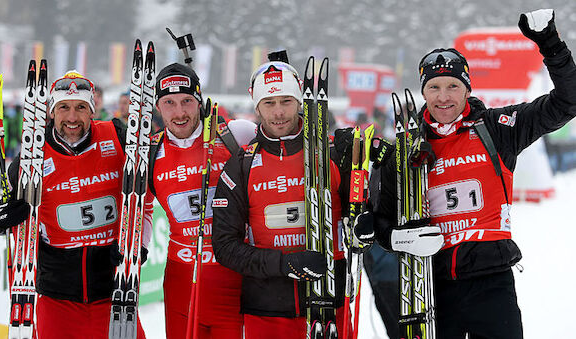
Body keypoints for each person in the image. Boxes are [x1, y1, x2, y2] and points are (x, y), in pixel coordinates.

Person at [357, 9, 576, 339]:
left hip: (492, 283)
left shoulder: (497, 130)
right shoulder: (405, 149)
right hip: (432, 287)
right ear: (423, 91)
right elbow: (382, 221)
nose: (443, 97)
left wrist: (550, 45)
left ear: (467, 88)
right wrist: (400, 238)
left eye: (452, 86)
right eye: (434, 87)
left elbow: (567, 102)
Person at [0, 70, 152, 338]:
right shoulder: (31, 159)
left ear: (92, 110)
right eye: (64, 108)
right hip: (57, 298)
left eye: (81, 107)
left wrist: (138, 245)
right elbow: (16, 217)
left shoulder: (117, 137)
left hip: (114, 294)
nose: (72, 118)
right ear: (51, 111)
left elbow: (144, 199)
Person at [212, 56, 349, 339]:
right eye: (269, 103)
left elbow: (359, 213)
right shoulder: (242, 164)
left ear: (299, 101)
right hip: (267, 310)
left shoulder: (333, 153)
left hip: (330, 305)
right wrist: (283, 265)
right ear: (257, 107)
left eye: (286, 101)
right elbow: (225, 246)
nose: (278, 113)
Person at [148, 62, 256, 338]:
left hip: (236, 277)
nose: (179, 112)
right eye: (169, 103)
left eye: (187, 101)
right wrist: (139, 248)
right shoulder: (150, 154)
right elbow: (143, 209)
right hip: (181, 282)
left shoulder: (236, 135)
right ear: (158, 107)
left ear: (200, 102)